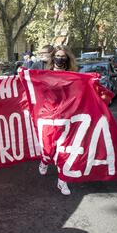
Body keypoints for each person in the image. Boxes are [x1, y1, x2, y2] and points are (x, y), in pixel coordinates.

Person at [37, 45, 78, 196]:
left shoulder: (72, 76)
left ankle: (62, 180)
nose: (60, 59)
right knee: (49, 148)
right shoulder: (44, 74)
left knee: (64, 150)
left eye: (63, 56)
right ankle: (45, 160)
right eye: (58, 56)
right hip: (48, 116)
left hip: (66, 117)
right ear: (53, 58)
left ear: (67, 59)